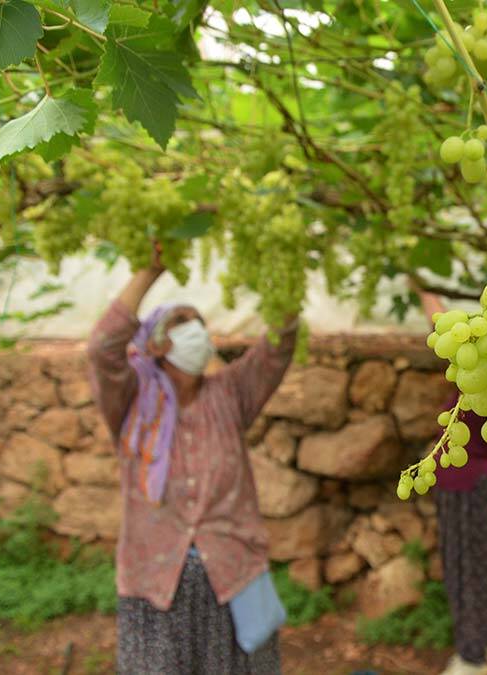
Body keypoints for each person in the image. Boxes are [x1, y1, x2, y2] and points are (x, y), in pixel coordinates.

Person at [87, 245, 299, 674]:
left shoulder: (231, 393)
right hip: (155, 585)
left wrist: (274, 262)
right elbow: (102, 348)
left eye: (200, 324)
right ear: (156, 343)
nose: (196, 331)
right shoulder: (132, 403)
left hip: (234, 578)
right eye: (181, 324)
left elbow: (279, 346)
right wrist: (150, 270)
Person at [415, 285, 487, 675]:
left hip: (469, 486)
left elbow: (442, 326)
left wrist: (422, 286)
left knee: (468, 570)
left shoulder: (484, 354)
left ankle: (472, 660)